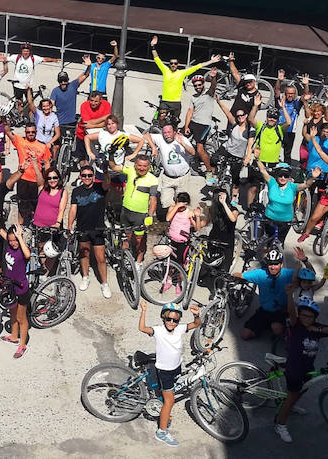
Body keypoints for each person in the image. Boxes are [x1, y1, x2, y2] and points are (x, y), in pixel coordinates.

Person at [273, 293, 328, 443]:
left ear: (315, 318)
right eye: (303, 315)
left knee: (302, 390)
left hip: (308, 368)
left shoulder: (316, 327)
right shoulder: (296, 326)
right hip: (294, 369)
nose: (305, 318)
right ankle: (280, 425)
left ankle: (291, 407)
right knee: (291, 396)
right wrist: (289, 294)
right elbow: (291, 311)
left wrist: (318, 330)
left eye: (309, 316)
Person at [138, 300, 201, 447]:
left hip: (176, 367)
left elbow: (196, 324)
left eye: (175, 320)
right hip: (165, 371)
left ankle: (163, 409)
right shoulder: (158, 330)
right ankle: (161, 432)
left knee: (167, 393)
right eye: (168, 319)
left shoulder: (180, 329)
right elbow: (142, 328)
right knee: (170, 400)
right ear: (163, 318)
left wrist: (196, 316)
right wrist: (143, 311)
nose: (172, 322)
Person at [150, 36, 221, 121]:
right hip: (165, 101)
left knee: (175, 122)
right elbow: (156, 59)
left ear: (178, 64)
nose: (173, 65)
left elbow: (197, 66)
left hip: (176, 102)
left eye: (175, 63)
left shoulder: (182, 73)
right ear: (169, 64)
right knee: (160, 119)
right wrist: (152, 46)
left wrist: (211, 61)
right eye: (171, 63)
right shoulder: (165, 70)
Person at [69, 160, 112, 297]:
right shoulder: (76, 191)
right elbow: (73, 209)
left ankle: (105, 283)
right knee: (84, 253)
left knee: (100, 258)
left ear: (93, 176)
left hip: (98, 228)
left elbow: (107, 183)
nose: (87, 178)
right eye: (84, 175)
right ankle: (85, 277)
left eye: (89, 175)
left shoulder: (100, 188)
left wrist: (105, 171)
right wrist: (70, 226)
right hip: (82, 227)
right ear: (80, 177)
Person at [254, 155, 320, 246]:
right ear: (277, 176)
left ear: (289, 177)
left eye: (286, 176)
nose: (283, 178)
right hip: (269, 219)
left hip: (285, 222)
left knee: (280, 244)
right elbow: (263, 171)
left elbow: (306, 185)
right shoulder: (272, 183)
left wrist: (313, 178)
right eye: (280, 175)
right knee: (268, 244)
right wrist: (257, 159)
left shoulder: (292, 187)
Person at [235, 247, 295, 340]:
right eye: (270, 264)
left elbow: (311, 275)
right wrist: (233, 276)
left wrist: (305, 260)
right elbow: (241, 275)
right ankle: (266, 326)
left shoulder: (288, 274)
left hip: (280, 311)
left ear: (281, 265)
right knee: (245, 335)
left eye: (276, 264)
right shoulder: (261, 273)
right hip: (265, 310)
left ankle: (282, 329)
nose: (273, 267)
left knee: (277, 329)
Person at [110, 150, 158, 264]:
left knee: (139, 240)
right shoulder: (130, 170)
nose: (142, 168)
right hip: (126, 211)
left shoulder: (152, 179)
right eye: (139, 165)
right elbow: (113, 167)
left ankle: (139, 262)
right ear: (135, 164)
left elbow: (153, 199)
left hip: (140, 214)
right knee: (127, 236)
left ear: (149, 166)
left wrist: (150, 215)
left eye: (145, 166)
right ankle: (127, 258)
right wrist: (111, 154)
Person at [214, 90, 259, 203]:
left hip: (238, 155)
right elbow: (227, 113)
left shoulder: (250, 130)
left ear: (246, 116)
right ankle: (214, 176)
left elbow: (250, 145)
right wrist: (219, 102)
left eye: (242, 115)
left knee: (235, 179)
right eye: (238, 116)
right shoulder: (234, 124)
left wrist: (247, 157)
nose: (239, 117)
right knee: (213, 159)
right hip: (227, 149)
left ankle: (234, 197)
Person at [5, 122, 52, 224]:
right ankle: (20, 226)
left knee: (37, 206)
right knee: (22, 206)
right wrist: (4, 120)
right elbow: (8, 131)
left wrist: (47, 179)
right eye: (28, 132)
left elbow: (47, 164)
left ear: (36, 132)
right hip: (23, 179)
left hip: (37, 181)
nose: (30, 134)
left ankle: (35, 226)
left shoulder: (43, 147)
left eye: (32, 132)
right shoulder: (20, 142)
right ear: (25, 133)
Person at [245, 102, 291, 203]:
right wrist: (256, 105)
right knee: (253, 188)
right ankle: (249, 209)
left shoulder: (279, 129)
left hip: (273, 163)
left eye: (274, 118)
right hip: (258, 161)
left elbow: (288, 122)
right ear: (266, 117)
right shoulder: (261, 126)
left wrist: (283, 107)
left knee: (272, 189)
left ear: (277, 120)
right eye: (270, 117)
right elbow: (251, 119)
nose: (272, 119)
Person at [145, 123, 196, 212]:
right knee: (165, 202)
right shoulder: (160, 138)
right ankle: (170, 218)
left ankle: (178, 220)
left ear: (174, 132)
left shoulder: (182, 139)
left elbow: (193, 152)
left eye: (169, 132)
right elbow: (146, 135)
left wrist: (182, 143)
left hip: (182, 178)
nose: (167, 134)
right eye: (165, 132)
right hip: (168, 178)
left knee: (181, 203)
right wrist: (154, 147)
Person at [0, 223, 31, 358]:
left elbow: (28, 255)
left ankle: (22, 345)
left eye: (15, 240)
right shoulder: (8, 244)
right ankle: (13, 336)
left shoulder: (22, 250)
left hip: (21, 288)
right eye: (10, 240)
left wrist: (20, 237)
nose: (13, 243)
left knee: (21, 318)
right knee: (12, 312)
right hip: (10, 286)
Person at [183, 71, 220, 182]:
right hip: (193, 122)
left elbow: (213, 86)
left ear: (203, 84)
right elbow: (190, 111)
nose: (197, 87)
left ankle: (209, 171)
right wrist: (186, 126)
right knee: (179, 137)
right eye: (195, 85)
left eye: (200, 84)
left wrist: (213, 78)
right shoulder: (193, 97)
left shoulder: (209, 94)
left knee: (200, 149)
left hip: (204, 125)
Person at [2, 43, 59, 114]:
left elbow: (44, 59)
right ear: (22, 51)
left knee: (30, 103)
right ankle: (21, 118)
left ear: (30, 52)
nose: (25, 52)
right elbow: (5, 59)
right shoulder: (16, 57)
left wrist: (54, 60)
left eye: (27, 51)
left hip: (27, 86)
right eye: (24, 51)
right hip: (17, 85)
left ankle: (30, 119)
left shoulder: (33, 58)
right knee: (19, 102)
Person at [32, 167, 69, 273]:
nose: (52, 180)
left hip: (52, 226)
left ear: (59, 178)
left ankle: (46, 272)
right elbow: (38, 176)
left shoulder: (63, 192)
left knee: (51, 251)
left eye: (55, 177)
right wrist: (35, 161)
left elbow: (61, 209)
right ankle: (43, 269)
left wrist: (57, 223)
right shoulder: (42, 188)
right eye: (49, 178)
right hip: (39, 224)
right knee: (41, 249)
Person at [274, 71, 309, 163]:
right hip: (278, 130)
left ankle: (286, 170)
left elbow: (305, 96)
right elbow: (276, 91)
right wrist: (279, 80)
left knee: (287, 154)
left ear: (295, 94)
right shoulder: (280, 102)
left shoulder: (296, 104)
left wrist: (305, 85)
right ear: (285, 93)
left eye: (292, 93)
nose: (290, 95)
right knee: (274, 151)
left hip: (290, 132)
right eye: (288, 93)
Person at [208, 190, 239, 274]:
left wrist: (224, 204)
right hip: (214, 236)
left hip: (227, 239)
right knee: (212, 262)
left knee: (224, 266)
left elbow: (233, 219)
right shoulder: (212, 209)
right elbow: (206, 222)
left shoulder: (234, 209)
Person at [76, 91, 112, 162]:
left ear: (101, 100)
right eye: (91, 100)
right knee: (82, 159)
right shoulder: (84, 105)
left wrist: (92, 125)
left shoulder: (106, 105)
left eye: (96, 101)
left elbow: (107, 122)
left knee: (100, 157)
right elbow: (86, 122)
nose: (93, 103)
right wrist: (103, 118)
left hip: (100, 135)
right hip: (82, 134)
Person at [226, 53, 261, 118]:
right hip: (233, 117)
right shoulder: (242, 87)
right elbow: (235, 73)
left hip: (244, 121)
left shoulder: (257, 95)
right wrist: (231, 61)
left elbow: (254, 112)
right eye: (246, 82)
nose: (248, 84)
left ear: (254, 81)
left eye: (250, 82)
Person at [28, 89, 60, 155]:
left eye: (47, 106)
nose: (46, 108)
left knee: (55, 149)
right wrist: (28, 90)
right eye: (44, 106)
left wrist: (50, 142)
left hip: (48, 142)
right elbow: (30, 103)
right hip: (38, 141)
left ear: (50, 106)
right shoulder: (38, 114)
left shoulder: (54, 117)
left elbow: (57, 134)